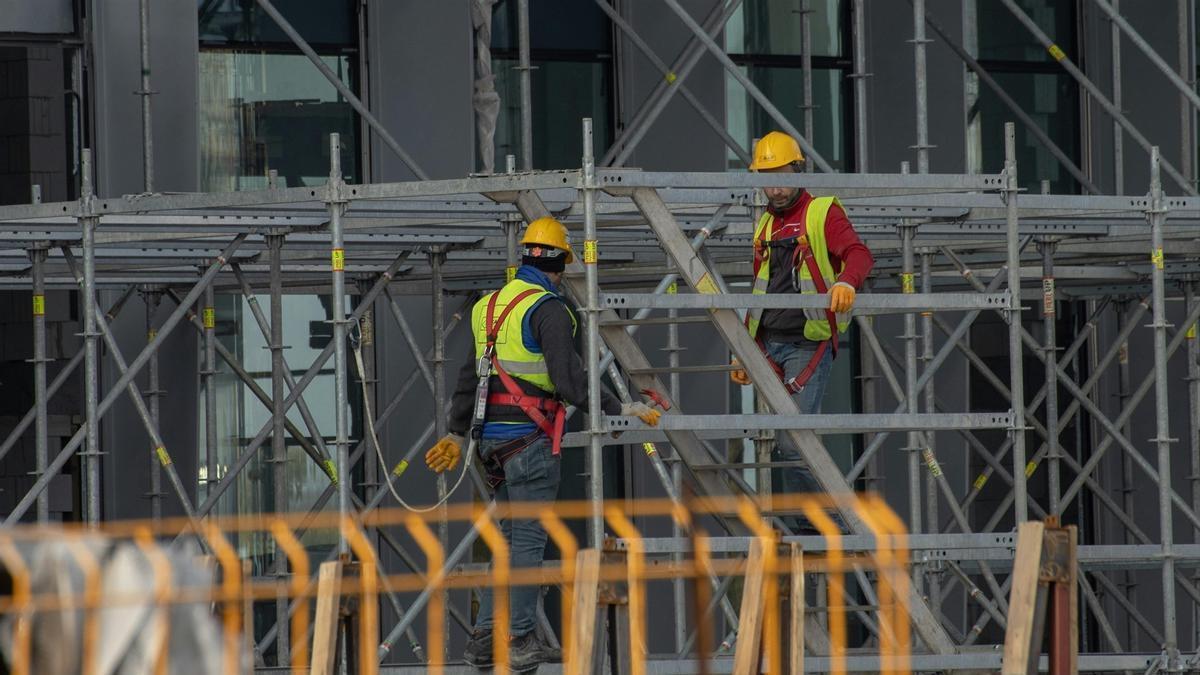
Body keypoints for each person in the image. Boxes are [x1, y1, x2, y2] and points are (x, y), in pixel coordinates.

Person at [424, 216, 664, 670]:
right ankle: (518, 639)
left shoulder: (489, 306)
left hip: (490, 446)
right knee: (529, 543)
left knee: (511, 542)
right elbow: (570, 381)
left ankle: (485, 637)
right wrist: (621, 407)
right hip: (529, 443)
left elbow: (467, 377)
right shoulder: (550, 309)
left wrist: (457, 433)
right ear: (561, 264)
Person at [730, 131, 875, 531]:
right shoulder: (764, 225)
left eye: (781, 174)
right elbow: (762, 291)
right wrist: (744, 348)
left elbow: (859, 254)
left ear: (798, 169)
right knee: (783, 445)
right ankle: (812, 522)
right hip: (769, 345)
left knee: (794, 443)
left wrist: (846, 281)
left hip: (806, 345)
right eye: (765, 177)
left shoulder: (821, 212)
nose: (774, 186)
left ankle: (837, 525)